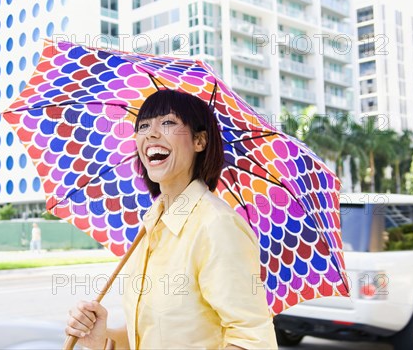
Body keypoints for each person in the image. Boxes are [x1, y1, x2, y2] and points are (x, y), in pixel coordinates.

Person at [66, 90, 277, 349]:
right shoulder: (151, 223)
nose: (151, 133)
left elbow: (252, 340)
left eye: (167, 122)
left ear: (199, 141)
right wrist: (101, 339)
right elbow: (147, 335)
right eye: (143, 126)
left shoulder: (216, 225)